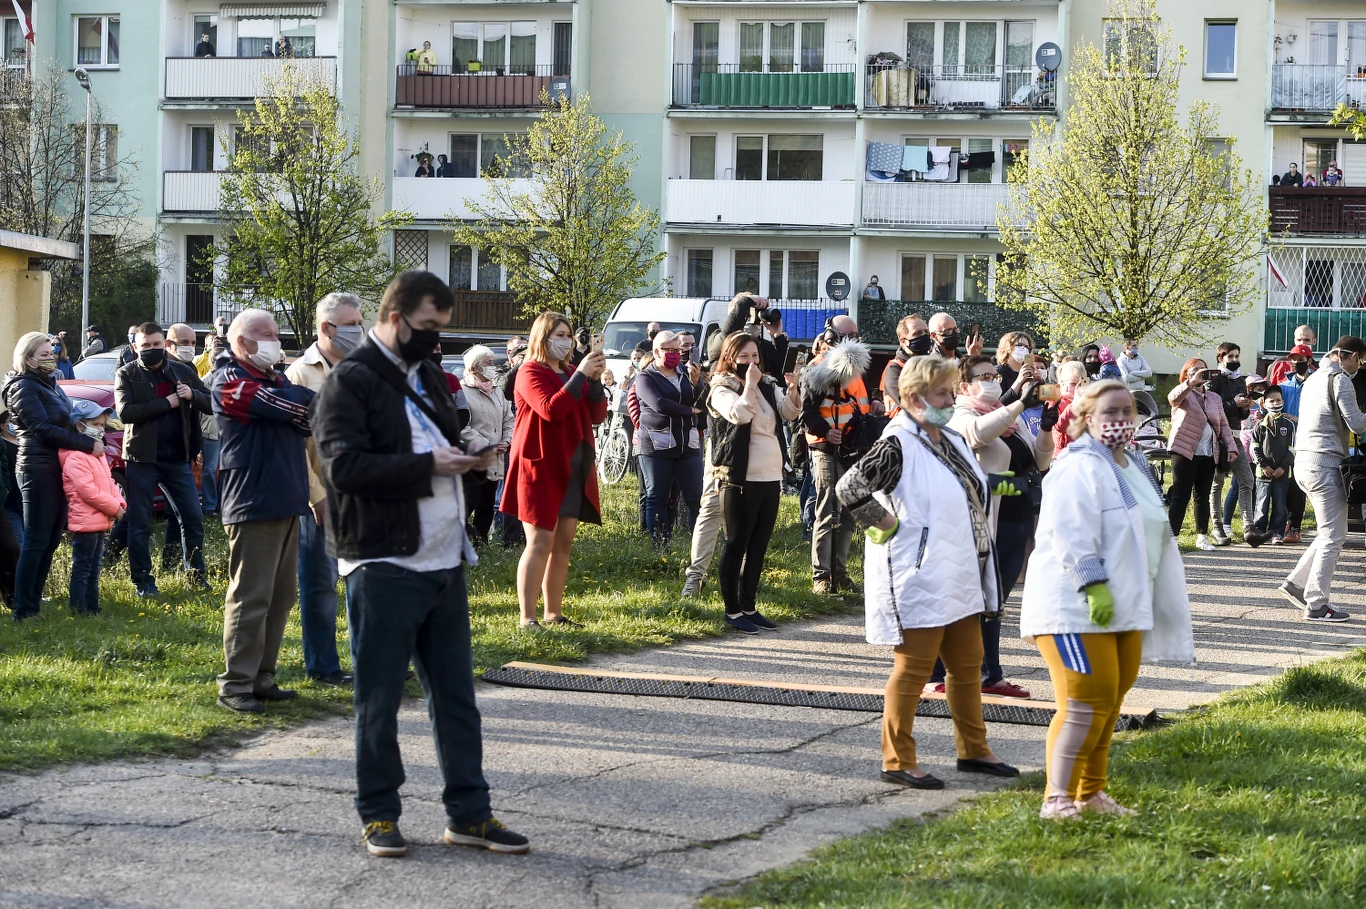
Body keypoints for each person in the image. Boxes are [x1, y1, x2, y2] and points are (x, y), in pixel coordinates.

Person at [313, 270, 529, 858]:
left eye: (442, 329)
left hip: (444, 557)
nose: (436, 340)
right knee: (378, 698)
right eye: (428, 327)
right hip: (382, 561)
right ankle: (379, 814)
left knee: (456, 696)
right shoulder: (351, 382)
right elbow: (340, 469)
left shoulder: (430, 376)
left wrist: (468, 454)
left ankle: (470, 814)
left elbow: (443, 445)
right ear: (395, 317)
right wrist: (427, 466)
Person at [836, 355, 1020, 790]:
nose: (951, 398)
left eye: (952, 390)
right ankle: (897, 759)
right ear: (914, 397)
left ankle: (973, 751)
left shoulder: (948, 436)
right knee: (915, 668)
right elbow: (850, 488)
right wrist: (886, 525)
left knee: (967, 664)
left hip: (957, 571)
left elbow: (955, 483)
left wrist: (993, 486)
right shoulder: (897, 441)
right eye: (943, 393)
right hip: (918, 573)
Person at [1020, 379, 1194, 819]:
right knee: (1084, 702)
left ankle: (1091, 795)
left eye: (1126, 411)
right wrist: (1092, 584)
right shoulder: (1077, 465)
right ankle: (1056, 799)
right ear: (1086, 418)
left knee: (1111, 701)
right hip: (1075, 607)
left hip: (1127, 604)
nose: (1120, 420)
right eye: (1109, 412)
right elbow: (1068, 531)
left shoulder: (1134, 464)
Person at [212, 309, 315, 713]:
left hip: (287, 495)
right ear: (241, 341)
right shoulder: (229, 378)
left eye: (275, 333)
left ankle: (262, 677)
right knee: (251, 595)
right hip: (252, 499)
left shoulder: (276, 378)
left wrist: (299, 406)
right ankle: (235, 683)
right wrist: (300, 406)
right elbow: (293, 405)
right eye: (264, 334)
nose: (275, 339)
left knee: (281, 595)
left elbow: (304, 413)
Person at [939, 355, 1055, 699]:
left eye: (993, 374)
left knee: (994, 602)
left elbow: (1039, 460)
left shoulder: (1008, 421)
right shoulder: (963, 415)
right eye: (983, 376)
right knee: (979, 603)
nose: (992, 379)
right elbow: (976, 435)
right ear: (964, 385)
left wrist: (1047, 427)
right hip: (987, 523)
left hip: (1017, 520)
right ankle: (960, 671)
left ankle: (988, 673)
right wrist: (1019, 403)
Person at [503, 311, 606, 626]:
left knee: (562, 544)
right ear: (542, 337)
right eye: (559, 335)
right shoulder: (529, 372)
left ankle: (553, 613)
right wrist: (580, 376)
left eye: (568, 335)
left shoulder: (573, 371)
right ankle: (527, 618)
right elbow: (551, 409)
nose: (565, 341)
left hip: (572, 468)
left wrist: (595, 379)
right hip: (540, 467)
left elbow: (597, 415)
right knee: (539, 543)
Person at [285, 292, 366, 688]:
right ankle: (323, 666)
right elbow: (295, 447)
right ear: (326, 328)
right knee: (320, 585)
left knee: (365, 583)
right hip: (323, 496)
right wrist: (315, 494)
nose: (360, 330)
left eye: (361, 321)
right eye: (352, 323)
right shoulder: (300, 373)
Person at [706, 332, 801, 632]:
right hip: (739, 478)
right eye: (743, 356)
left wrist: (794, 388)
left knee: (758, 547)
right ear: (730, 357)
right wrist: (749, 384)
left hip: (770, 477)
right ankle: (731, 610)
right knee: (736, 544)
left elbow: (788, 412)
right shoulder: (722, 386)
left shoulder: (768, 385)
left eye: (755, 356)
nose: (750, 362)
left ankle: (749, 605)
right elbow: (739, 415)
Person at [2, 332, 101, 621]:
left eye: (52, 352)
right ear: (27, 357)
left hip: (59, 466)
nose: (50, 358)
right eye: (43, 354)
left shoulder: (51, 385)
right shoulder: (22, 387)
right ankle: (24, 609)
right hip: (37, 468)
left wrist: (85, 430)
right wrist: (86, 444)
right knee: (35, 539)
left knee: (51, 538)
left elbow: (64, 422)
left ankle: (33, 602)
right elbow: (42, 428)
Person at [115, 322, 212, 597]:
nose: (151, 350)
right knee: (140, 522)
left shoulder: (182, 370)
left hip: (177, 459)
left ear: (165, 345)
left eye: (156, 345)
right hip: (141, 459)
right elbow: (125, 413)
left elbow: (212, 403)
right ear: (135, 347)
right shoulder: (126, 373)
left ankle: (195, 575)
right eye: (145, 346)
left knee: (192, 517)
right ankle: (143, 581)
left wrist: (192, 394)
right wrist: (168, 403)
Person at [1279, 336, 1366, 622]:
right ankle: (1316, 605)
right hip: (1324, 465)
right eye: (1361, 361)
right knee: (1333, 536)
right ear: (1351, 355)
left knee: (1329, 530)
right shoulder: (1340, 380)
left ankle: (1296, 584)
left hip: (1303, 463)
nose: (1359, 367)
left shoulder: (1314, 379)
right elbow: (1357, 423)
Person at [803, 316, 879, 595]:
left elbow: (859, 401)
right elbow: (806, 414)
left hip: (854, 447)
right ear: (832, 337)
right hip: (827, 448)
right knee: (827, 509)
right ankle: (822, 577)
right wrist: (826, 431)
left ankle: (840, 572)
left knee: (847, 511)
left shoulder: (857, 366)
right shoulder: (815, 369)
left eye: (857, 335)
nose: (855, 340)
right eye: (849, 335)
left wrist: (874, 402)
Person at [635, 330, 704, 550]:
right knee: (657, 497)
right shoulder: (645, 376)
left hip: (687, 445)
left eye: (678, 350)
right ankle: (661, 548)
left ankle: (699, 547)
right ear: (656, 351)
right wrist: (690, 410)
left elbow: (702, 401)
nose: (674, 355)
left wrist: (697, 383)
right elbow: (659, 405)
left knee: (696, 499)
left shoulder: (685, 373)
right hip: (656, 446)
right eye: (669, 350)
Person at [60, 399, 125, 616]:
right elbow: (88, 491)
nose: (101, 429)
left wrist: (120, 502)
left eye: (102, 424)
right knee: (83, 568)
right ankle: (79, 609)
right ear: (80, 426)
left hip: (99, 518)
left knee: (94, 568)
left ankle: (92, 607)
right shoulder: (76, 457)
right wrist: (114, 507)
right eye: (96, 424)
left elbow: (109, 482)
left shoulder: (97, 455)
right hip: (86, 519)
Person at [1166, 357, 1237, 551]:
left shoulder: (1214, 397)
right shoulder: (1184, 393)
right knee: (1181, 495)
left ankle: (1202, 537)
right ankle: (1171, 539)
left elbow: (1223, 424)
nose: (1200, 373)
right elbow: (1172, 398)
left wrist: (1231, 447)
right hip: (1184, 450)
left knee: (1202, 495)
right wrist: (1190, 383)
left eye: (1203, 370)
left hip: (1208, 451)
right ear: (1187, 374)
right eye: (1195, 370)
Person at [1206, 342, 1261, 546]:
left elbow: (1240, 414)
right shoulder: (1214, 379)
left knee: (1247, 479)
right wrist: (1233, 404)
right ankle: (1217, 528)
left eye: (1237, 356)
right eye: (1231, 357)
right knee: (1217, 483)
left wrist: (1246, 406)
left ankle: (1249, 528)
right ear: (1221, 359)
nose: (1235, 360)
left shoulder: (1240, 380)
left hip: (1235, 435)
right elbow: (1211, 408)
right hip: (1217, 437)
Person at [458, 344, 513, 546]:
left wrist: (507, 439)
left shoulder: (497, 390)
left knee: (487, 505)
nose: (493, 365)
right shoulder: (463, 390)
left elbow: (509, 418)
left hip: (496, 457)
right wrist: (487, 444)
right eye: (488, 363)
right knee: (469, 503)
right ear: (475, 367)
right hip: (473, 459)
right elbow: (461, 426)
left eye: (492, 362)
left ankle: (480, 546)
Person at [1251, 386, 1294, 545]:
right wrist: (1263, 465)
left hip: (1282, 474)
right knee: (1261, 505)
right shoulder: (1259, 425)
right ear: (1263, 403)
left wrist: (1282, 467)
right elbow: (1254, 448)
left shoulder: (1289, 425)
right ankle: (1260, 532)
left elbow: (1292, 448)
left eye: (1278, 400)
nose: (1275, 403)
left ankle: (1277, 532)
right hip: (1263, 474)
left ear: (1283, 401)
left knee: (1279, 505)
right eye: (1271, 401)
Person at [881, 313, 931, 415]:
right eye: (917, 333)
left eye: (926, 332)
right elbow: (909, 403)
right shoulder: (894, 369)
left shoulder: (931, 365)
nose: (924, 336)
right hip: (902, 427)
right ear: (903, 342)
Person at [1051, 361, 1088, 452]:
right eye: (1073, 384)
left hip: (1084, 450)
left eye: (1081, 383)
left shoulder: (1089, 400)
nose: (1077, 387)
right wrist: (1073, 405)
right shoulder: (1053, 400)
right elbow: (1059, 426)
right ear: (1062, 383)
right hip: (1063, 452)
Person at [1117, 339, 1156, 416]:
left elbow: (1149, 373)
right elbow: (1126, 378)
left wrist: (1134, 373)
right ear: (1127, 347)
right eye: (1134, 346)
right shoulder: (1121, 361)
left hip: (1141, 393)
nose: (1136, 348)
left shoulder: (1140, 358)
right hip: (1128, 394)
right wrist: (1142, 375)